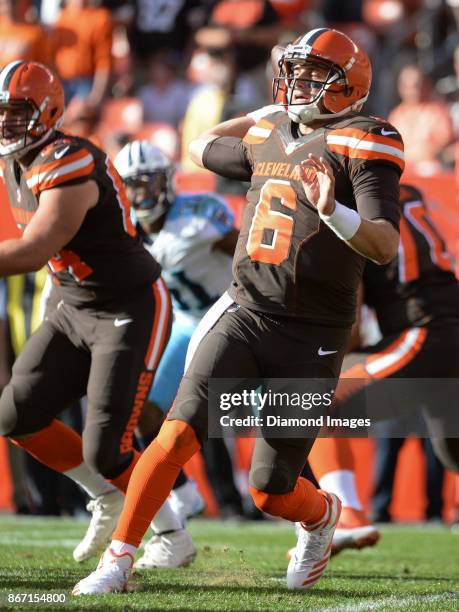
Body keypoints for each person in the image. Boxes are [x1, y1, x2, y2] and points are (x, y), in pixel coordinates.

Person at [73, 28, 404, 595]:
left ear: (348, 86)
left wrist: (334, 213)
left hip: (313, 332)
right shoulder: (272, 129)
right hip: (246, 309)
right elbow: (202, 146)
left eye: (312, 73)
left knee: (271, 491)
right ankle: (119, 559)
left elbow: (383, 243)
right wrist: (273, 107)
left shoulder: (366, 139)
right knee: (175, 434)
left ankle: (322, 515)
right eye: (294, 71)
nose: (297, 82)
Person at [0, 60, 178, 564]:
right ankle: (104, 495)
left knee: (109, 448)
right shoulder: (14, 159)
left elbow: (35, 250)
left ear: (47, 112)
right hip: (74, 306)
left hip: (127, 305)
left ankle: (171, 532)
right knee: (17, 414)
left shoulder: (67, 160)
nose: (4, 124)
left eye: (15, 113)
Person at [308, 183, 459, 540]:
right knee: (453, 448)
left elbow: (353, 329)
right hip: (444, 327)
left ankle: (349, 517)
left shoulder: (349, 208)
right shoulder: (406, 191)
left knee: (308, 399)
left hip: (424, 332)